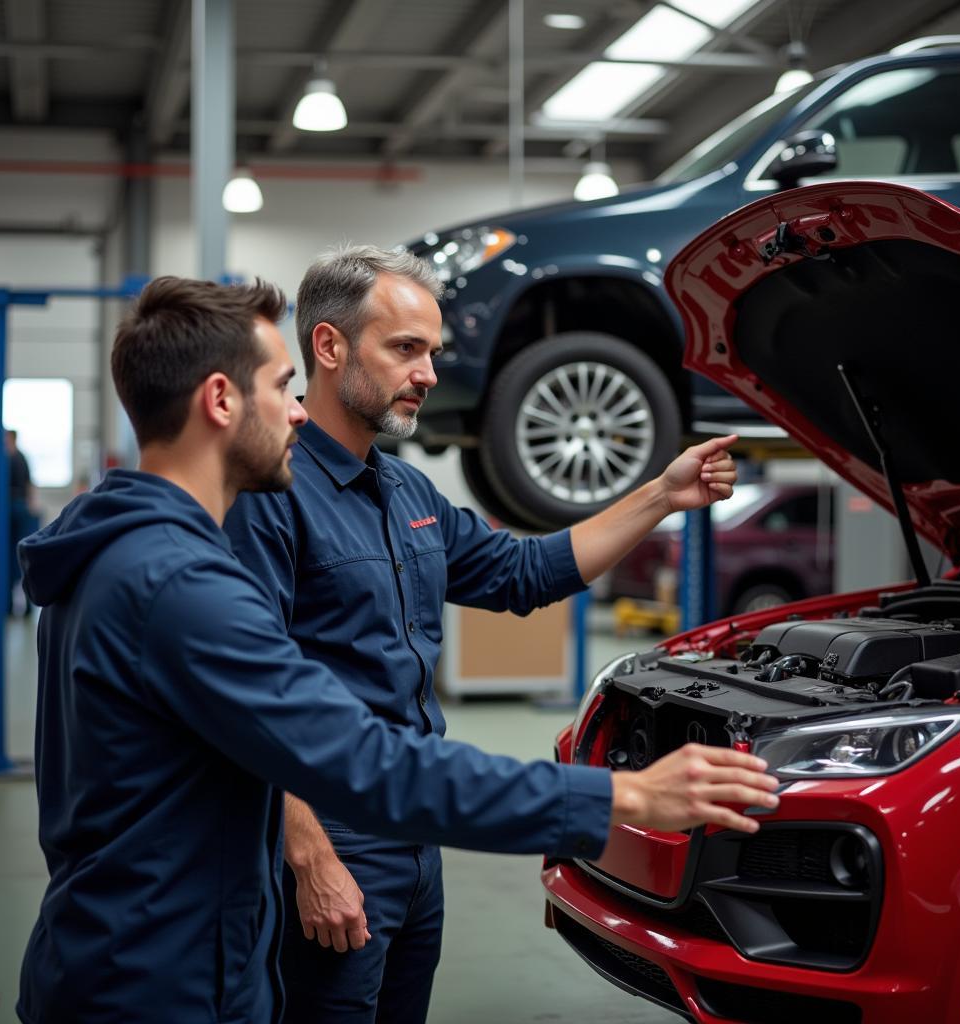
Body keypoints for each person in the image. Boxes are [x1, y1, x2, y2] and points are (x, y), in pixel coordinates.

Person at [16, 276, 777, 1024]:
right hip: (153, 977)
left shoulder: (132, 554)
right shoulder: (177, 582)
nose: (295, 410)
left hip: (206, 943)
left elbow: (517, 573)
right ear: (221, 400)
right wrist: (625, 798)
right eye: (283, 385)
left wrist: (659, 495)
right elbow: (361, 761)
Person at [223, 247, 750, 1024]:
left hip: (414, 834)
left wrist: (660, 495)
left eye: (432, 352)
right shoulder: (272, 495)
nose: (429, 373)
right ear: (329, 348)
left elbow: (529, 573)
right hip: (330, 835)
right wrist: (308, 854)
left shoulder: (407, 491)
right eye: (405, 349)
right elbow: (250, 698)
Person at [5, 428, 37, 615]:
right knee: (10, 559)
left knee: (19, 557)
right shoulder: (11, 458)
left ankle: (24, 607)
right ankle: (9, 605)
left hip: (17, 510)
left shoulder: (16, 459)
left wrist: (30, 504)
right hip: (12, 511)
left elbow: (28, 484)